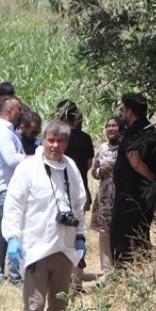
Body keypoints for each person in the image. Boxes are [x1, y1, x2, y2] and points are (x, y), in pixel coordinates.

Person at [2, 121, 88, 311]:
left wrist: (81, 236)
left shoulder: (70, 167)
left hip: (64, 246)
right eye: (51, 140)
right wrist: (13, 239)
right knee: (34, 306)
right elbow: (14, 205)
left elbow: (78, 204)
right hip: (36, 247)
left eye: (60, 141)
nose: (55, 145)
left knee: (59, 305)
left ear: (66, 143)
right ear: (43, 140)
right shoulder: (28, 168)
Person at [110, 93, 156, 265]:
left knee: (121, 236)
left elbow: (135, 160)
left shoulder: (134, 131)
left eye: (123, 109)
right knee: (142, 232)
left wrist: (152, 179)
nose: (121, 113)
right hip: (147, 195)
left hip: (131, 195)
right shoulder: (153, 131)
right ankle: (144, 272)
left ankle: (122, 276)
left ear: (130, 111)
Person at [0, 97, 26, 284]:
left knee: (2, 234)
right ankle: (16, 277)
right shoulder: (2, 132)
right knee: (13, 231)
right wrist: (33, 158)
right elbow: (10, 158)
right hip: (4, 189)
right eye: (18, 108)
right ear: (9, 112)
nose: (21, 111)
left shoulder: (4, 131)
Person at [56, 100, 95, 283]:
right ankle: (77, 275)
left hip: (61, 192)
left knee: (62, 235)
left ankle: (63, 276)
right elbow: (88, 165)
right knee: (79, 233)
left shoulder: (58, 139)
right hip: (81, 190)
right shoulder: (85, 138)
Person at [91, 116, 122, 273]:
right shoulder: (102, 148)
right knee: (104, 233)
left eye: (114, 125)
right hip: (105, 198)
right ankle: (106, 271)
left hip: (121, 197)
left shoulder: (125, 147)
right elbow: (94, 172)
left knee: (120, 231)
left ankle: (122, 268)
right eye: (108, 126)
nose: (110, 128)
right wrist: (100, 171)